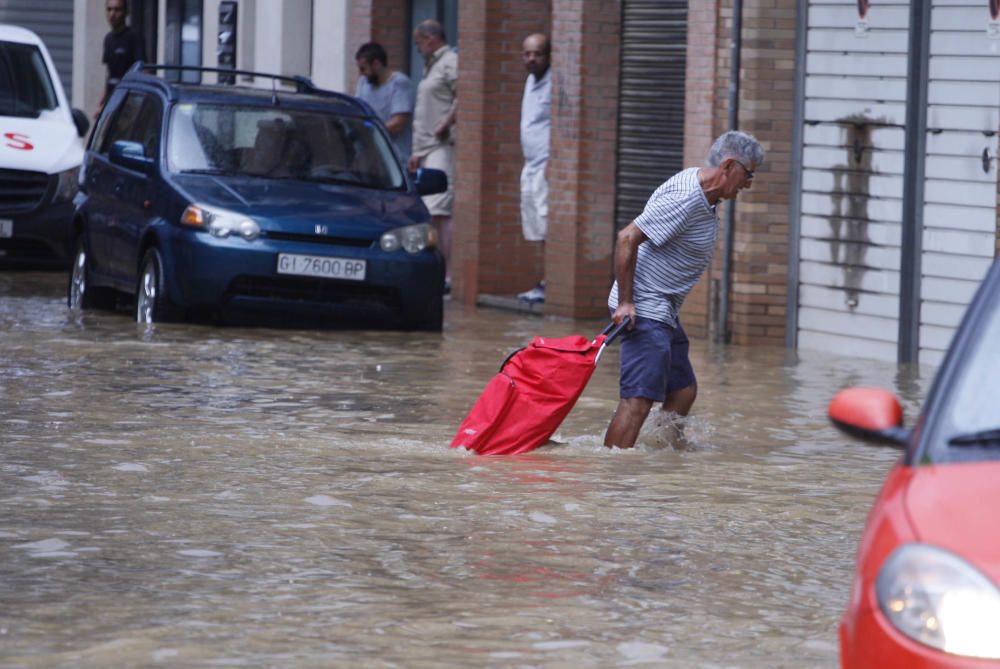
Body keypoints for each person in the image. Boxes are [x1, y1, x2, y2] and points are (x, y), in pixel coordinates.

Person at [604, 130, 764, 449]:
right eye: (748, 175)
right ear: (729, 165)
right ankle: (612, 474)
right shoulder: (686, 198)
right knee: (638, 400)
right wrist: (625, 303)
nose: (748, 184)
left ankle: (664, 459)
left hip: (664, 310)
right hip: (645, 307)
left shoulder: (707, 193)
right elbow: (627, 238)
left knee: (683, 390)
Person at [407, 20, 458, 294]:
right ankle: (436, 271)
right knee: (429, 211)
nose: (416, 48)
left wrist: (446, 122)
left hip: (441, 146)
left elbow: (464, 94)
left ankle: (447, 275)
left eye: (418, 42)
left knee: (440, 211)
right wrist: (416, 151)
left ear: (430, 38)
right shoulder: (431, 66)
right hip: (425, 148)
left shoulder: (450, 61)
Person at [516, 33, 552, 304]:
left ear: (548, 56)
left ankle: (549, 282)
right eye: (527, 54)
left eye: (537, 54)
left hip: (546, 167)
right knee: (535, 229)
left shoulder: (552, 82)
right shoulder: (530, 80)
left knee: (546, 225)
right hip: (530, 165)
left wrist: (555, 160)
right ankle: (542, 281)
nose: (531, 59)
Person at [354, 42, 413, 162]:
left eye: (363, 68)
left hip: (395, 158)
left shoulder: (399, 83)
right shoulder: (363, 83)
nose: (361, 73)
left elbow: (398, 123)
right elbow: (357, 112)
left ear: (376, 64)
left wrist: (370, 131)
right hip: (370, 157)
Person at [97, 0, 145, 118]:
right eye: (109, 9)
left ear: (125, 12)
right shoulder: (108, 39)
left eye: (117, 10)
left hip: (130, 98)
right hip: (113, 98)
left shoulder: (133, 37)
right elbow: (109, 75)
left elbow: (143, 71)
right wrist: (101, 103)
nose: (112, 14)